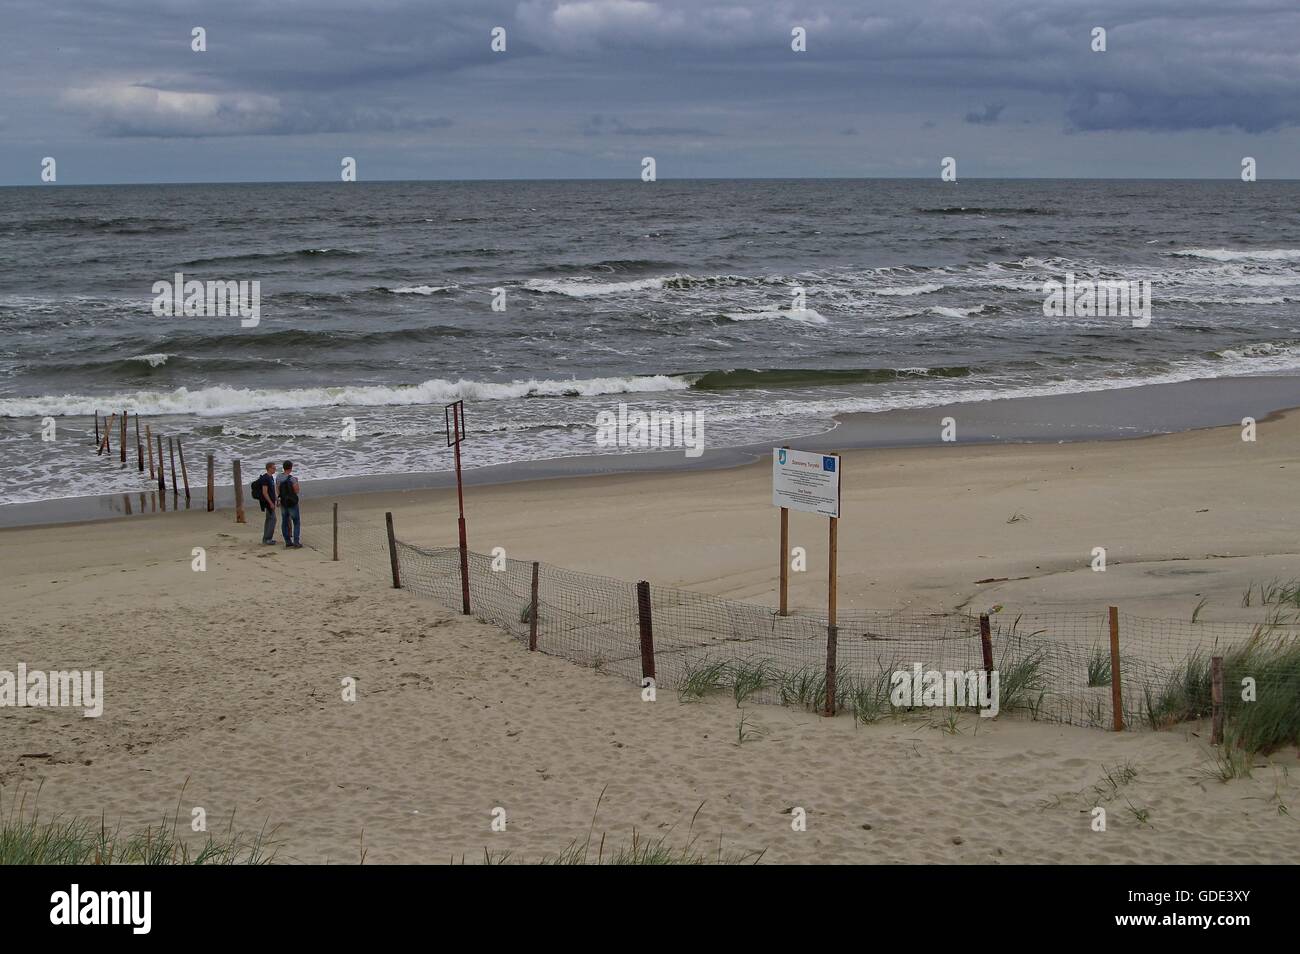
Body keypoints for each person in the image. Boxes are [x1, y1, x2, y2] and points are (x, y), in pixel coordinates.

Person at [277, 460, 302, 549]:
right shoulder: (292, 479)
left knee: (284, 521)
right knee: (296, 522)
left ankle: (287, 541)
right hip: (292, 502)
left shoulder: (279, 477)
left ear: (283, 467)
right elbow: (297, 490)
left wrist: (279, 498)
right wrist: (296, 482)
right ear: (291, 468)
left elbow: (278, 489)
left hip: (283, 501)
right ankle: (296, 541)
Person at [255, 462, 278, 545]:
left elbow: (272, 490)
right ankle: (267, 539)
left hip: (272, 500)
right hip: (268, 502)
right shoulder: (265, 478)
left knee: (269, 519)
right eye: (273, 468)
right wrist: (270, 503)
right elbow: (265, 492)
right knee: (272, 519)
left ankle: (266, 538)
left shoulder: (271, 477)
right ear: (269, 468)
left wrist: (276, 498)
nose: (275, 469)